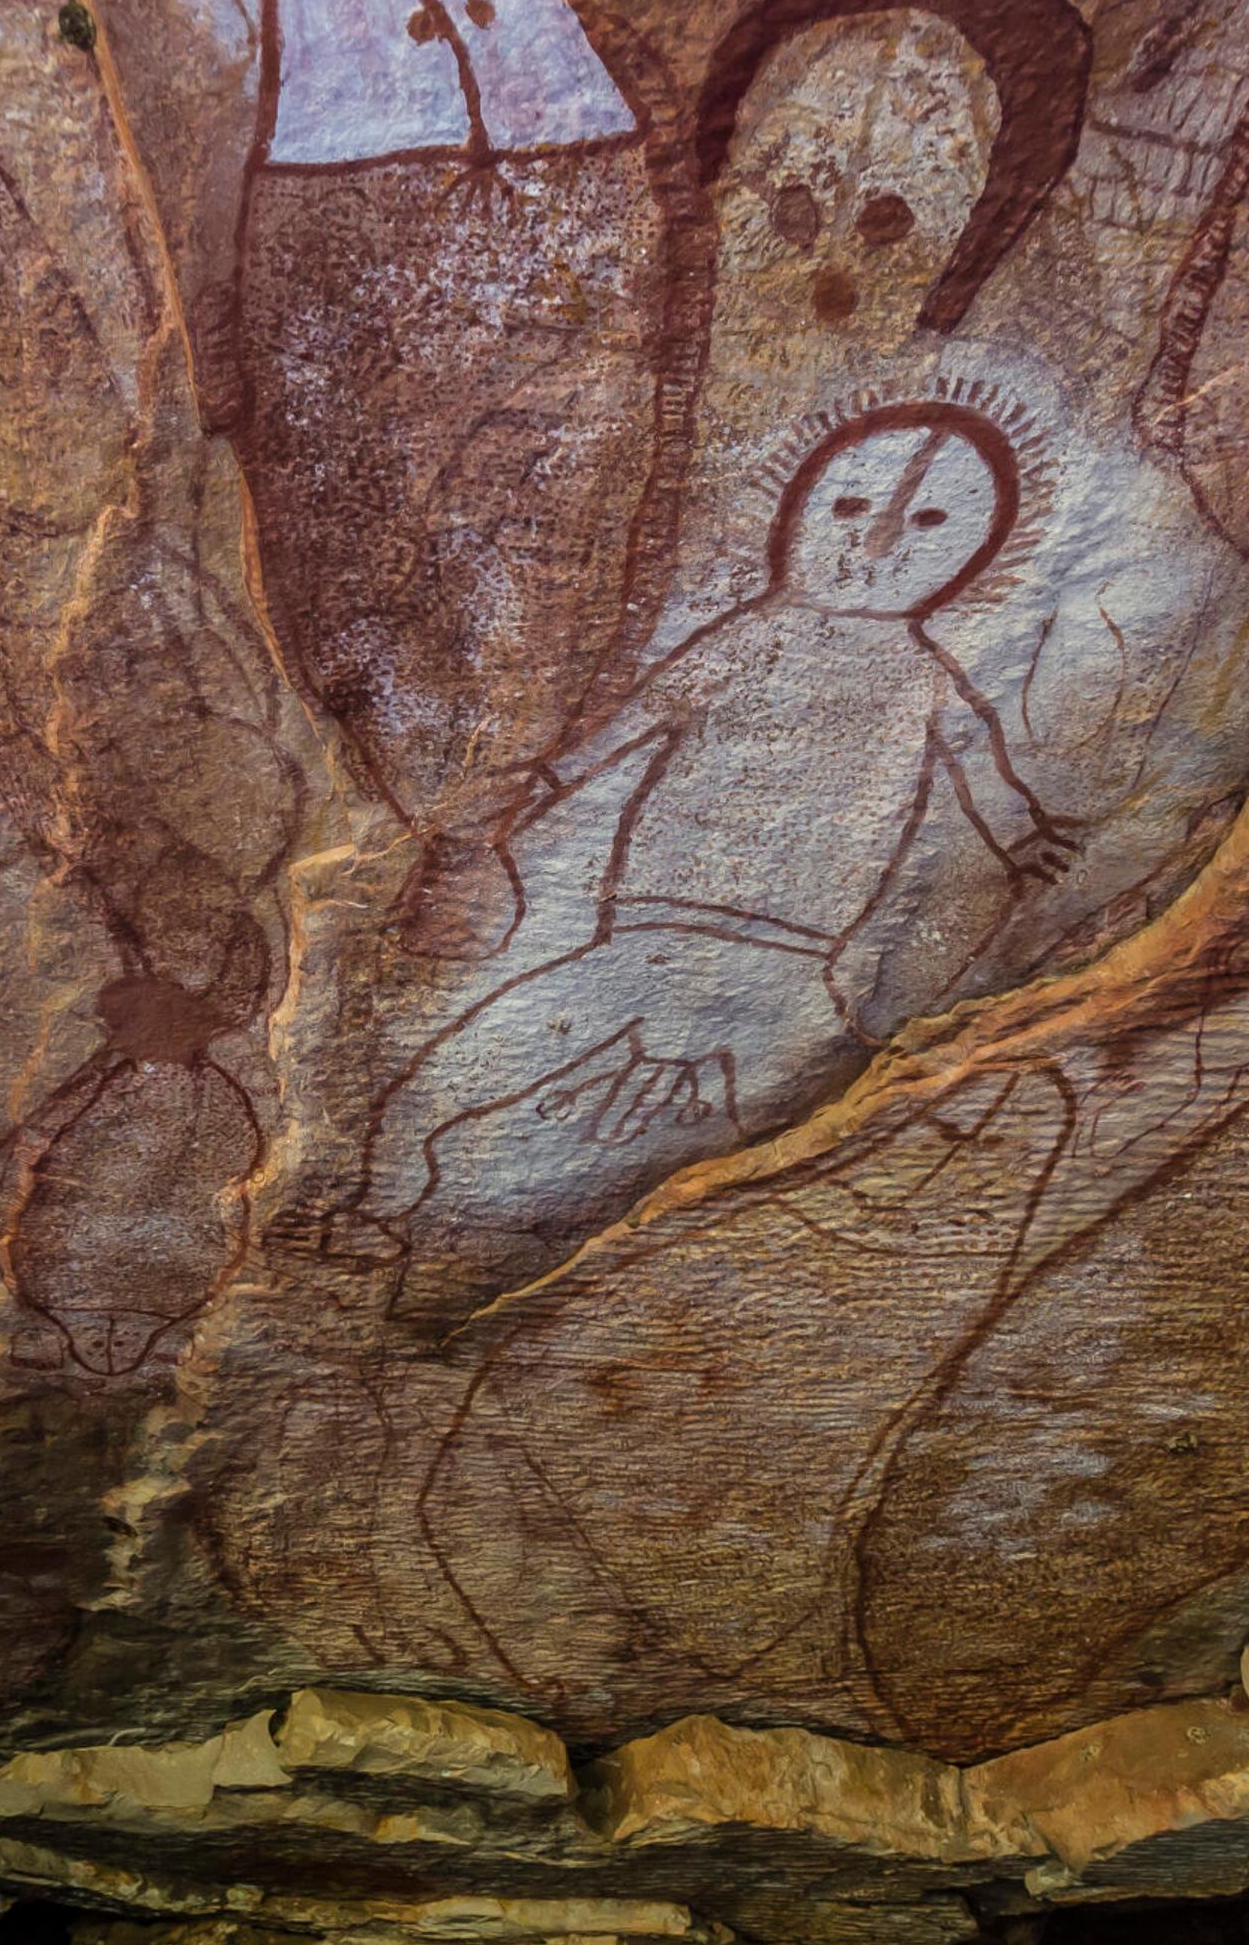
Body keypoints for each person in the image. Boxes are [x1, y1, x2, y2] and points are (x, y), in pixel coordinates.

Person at [354, 400, 1077, 1329]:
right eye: (851, 509)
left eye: (934, 521)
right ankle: (374, 1201)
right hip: (648, 932)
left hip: (794, 960)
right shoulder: (742, 639)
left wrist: (1019, 836)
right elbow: (620, 735)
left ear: (974, 557)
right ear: (797, 516)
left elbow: (981, 763)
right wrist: (524, 808)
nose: (883, 538)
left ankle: (754, 1274)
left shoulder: (923, 676)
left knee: (769, 1124)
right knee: (466, 1066)